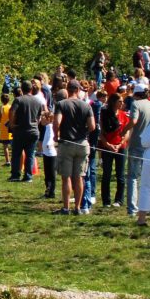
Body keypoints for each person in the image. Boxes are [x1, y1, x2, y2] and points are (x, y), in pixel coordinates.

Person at [53, 82, 95, 215]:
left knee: (66, 178)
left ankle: (66, 208)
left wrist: (55, 135)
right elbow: (92, 126)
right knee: (79, 177)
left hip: (66, 143)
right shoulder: (86, 105)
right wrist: (83, 132)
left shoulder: (61, 104)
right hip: (82, 144)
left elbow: (57, 122)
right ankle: (77, 207)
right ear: (78, 90)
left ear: (67, 90)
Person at [122, 83, 150, 216]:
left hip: (137, 145)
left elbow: (133, 121)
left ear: (136, 94)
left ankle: (132, 208)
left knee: (132, 177)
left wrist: (124, 130)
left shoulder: (136, 104)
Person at [8, 80, 44, 182]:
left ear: (22, 89)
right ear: (31, 89)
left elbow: (12, 111)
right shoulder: (37, 101)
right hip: (33, 131)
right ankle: (28, 176)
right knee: (30, 154)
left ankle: (15, 175)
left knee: (16, 154)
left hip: (20, 130)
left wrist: (11, 123)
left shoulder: (18, 100)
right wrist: (35, 124)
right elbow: (39, 117)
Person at [99, 92, 128, 208]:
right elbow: (101, 133)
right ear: (113, 102)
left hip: (121, 147)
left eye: (122, 101)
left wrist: (120, 143)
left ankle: (119, 199)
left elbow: (127, 132)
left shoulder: (123, 115)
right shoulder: (104, 115)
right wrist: (108, 145)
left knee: (120, 174)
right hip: (107, 147)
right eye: (119, 101)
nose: (122, 103)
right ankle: (106, 200)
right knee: (106, 174)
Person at [0, 93, 12, 166]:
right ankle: (14, 160)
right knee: (13, 146)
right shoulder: (11, 107)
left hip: (4, 129)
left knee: (5, 146)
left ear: (1, 100)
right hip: (11, 128)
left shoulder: (1, 108)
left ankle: (7, 161)